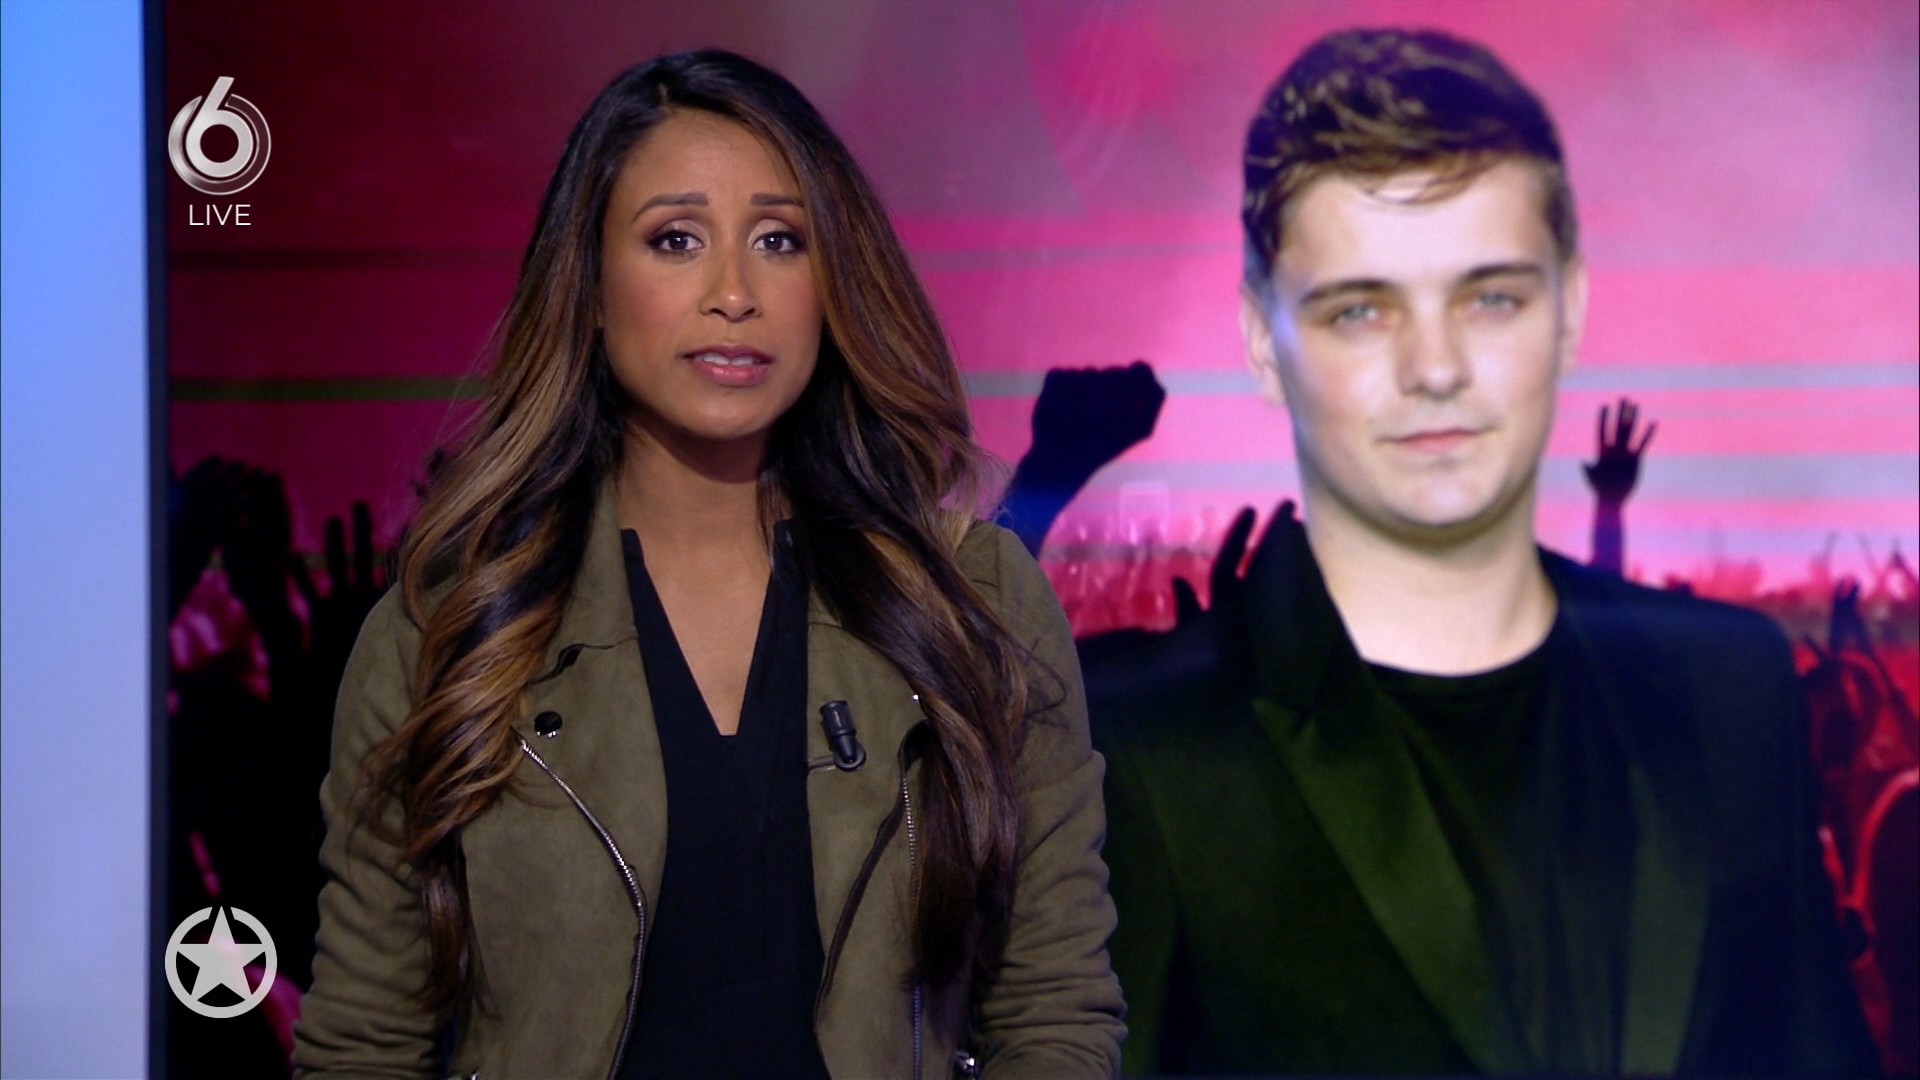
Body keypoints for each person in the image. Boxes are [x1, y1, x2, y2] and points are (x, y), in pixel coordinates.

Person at [291, 50, 1124, 1079]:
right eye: (676, 240)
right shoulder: (451, 630)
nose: (734, 292)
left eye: (780, 241)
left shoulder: (975, 600)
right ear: (592, 289)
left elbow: (1054, 1010)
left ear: (832, 283)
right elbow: (364, 1046)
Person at [1090, 28, 1875, 1075]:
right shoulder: (1131, 741)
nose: (1436, 366)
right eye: (1361, 310)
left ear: (1570, 309)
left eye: (1490, 297)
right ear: (1262, 342)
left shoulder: (1731, 690)